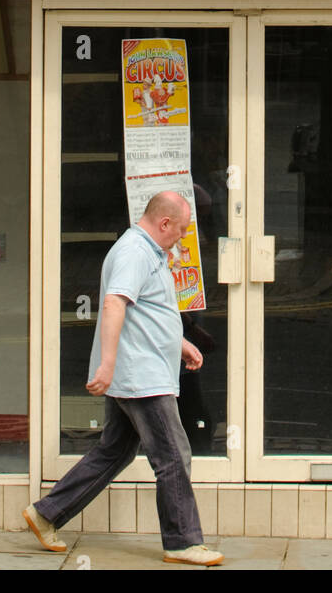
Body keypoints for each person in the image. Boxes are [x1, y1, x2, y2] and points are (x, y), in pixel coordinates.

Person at [23, 190, 224, 566]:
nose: (181, 237)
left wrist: (180, 343)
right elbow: (116, 303)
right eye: (180, 230)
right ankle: (182, 542)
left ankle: (46, 513)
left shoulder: (147, 251)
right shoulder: (135, 252)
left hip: (137, 372)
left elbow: (147, 312)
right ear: (164, 223)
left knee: (114, 451)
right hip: (141, 377)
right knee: (174, 456)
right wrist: (108, 364)